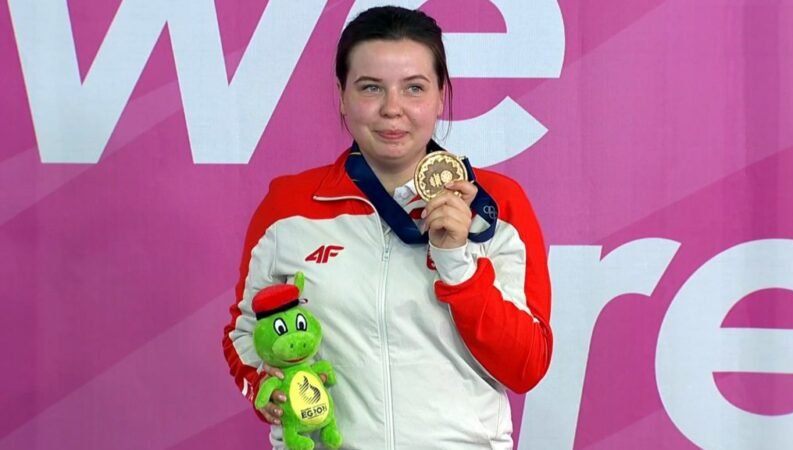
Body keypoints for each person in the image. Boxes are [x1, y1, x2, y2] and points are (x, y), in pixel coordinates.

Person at [223, 6, 553, 449]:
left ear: (440, 96)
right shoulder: (288, 208)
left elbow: (526, 366)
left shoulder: (495, 207)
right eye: (370, 88)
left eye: (414, 88)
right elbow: (245, 330)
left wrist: (459, 266)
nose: (392, 109)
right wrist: (265, 387)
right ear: (341, 96)